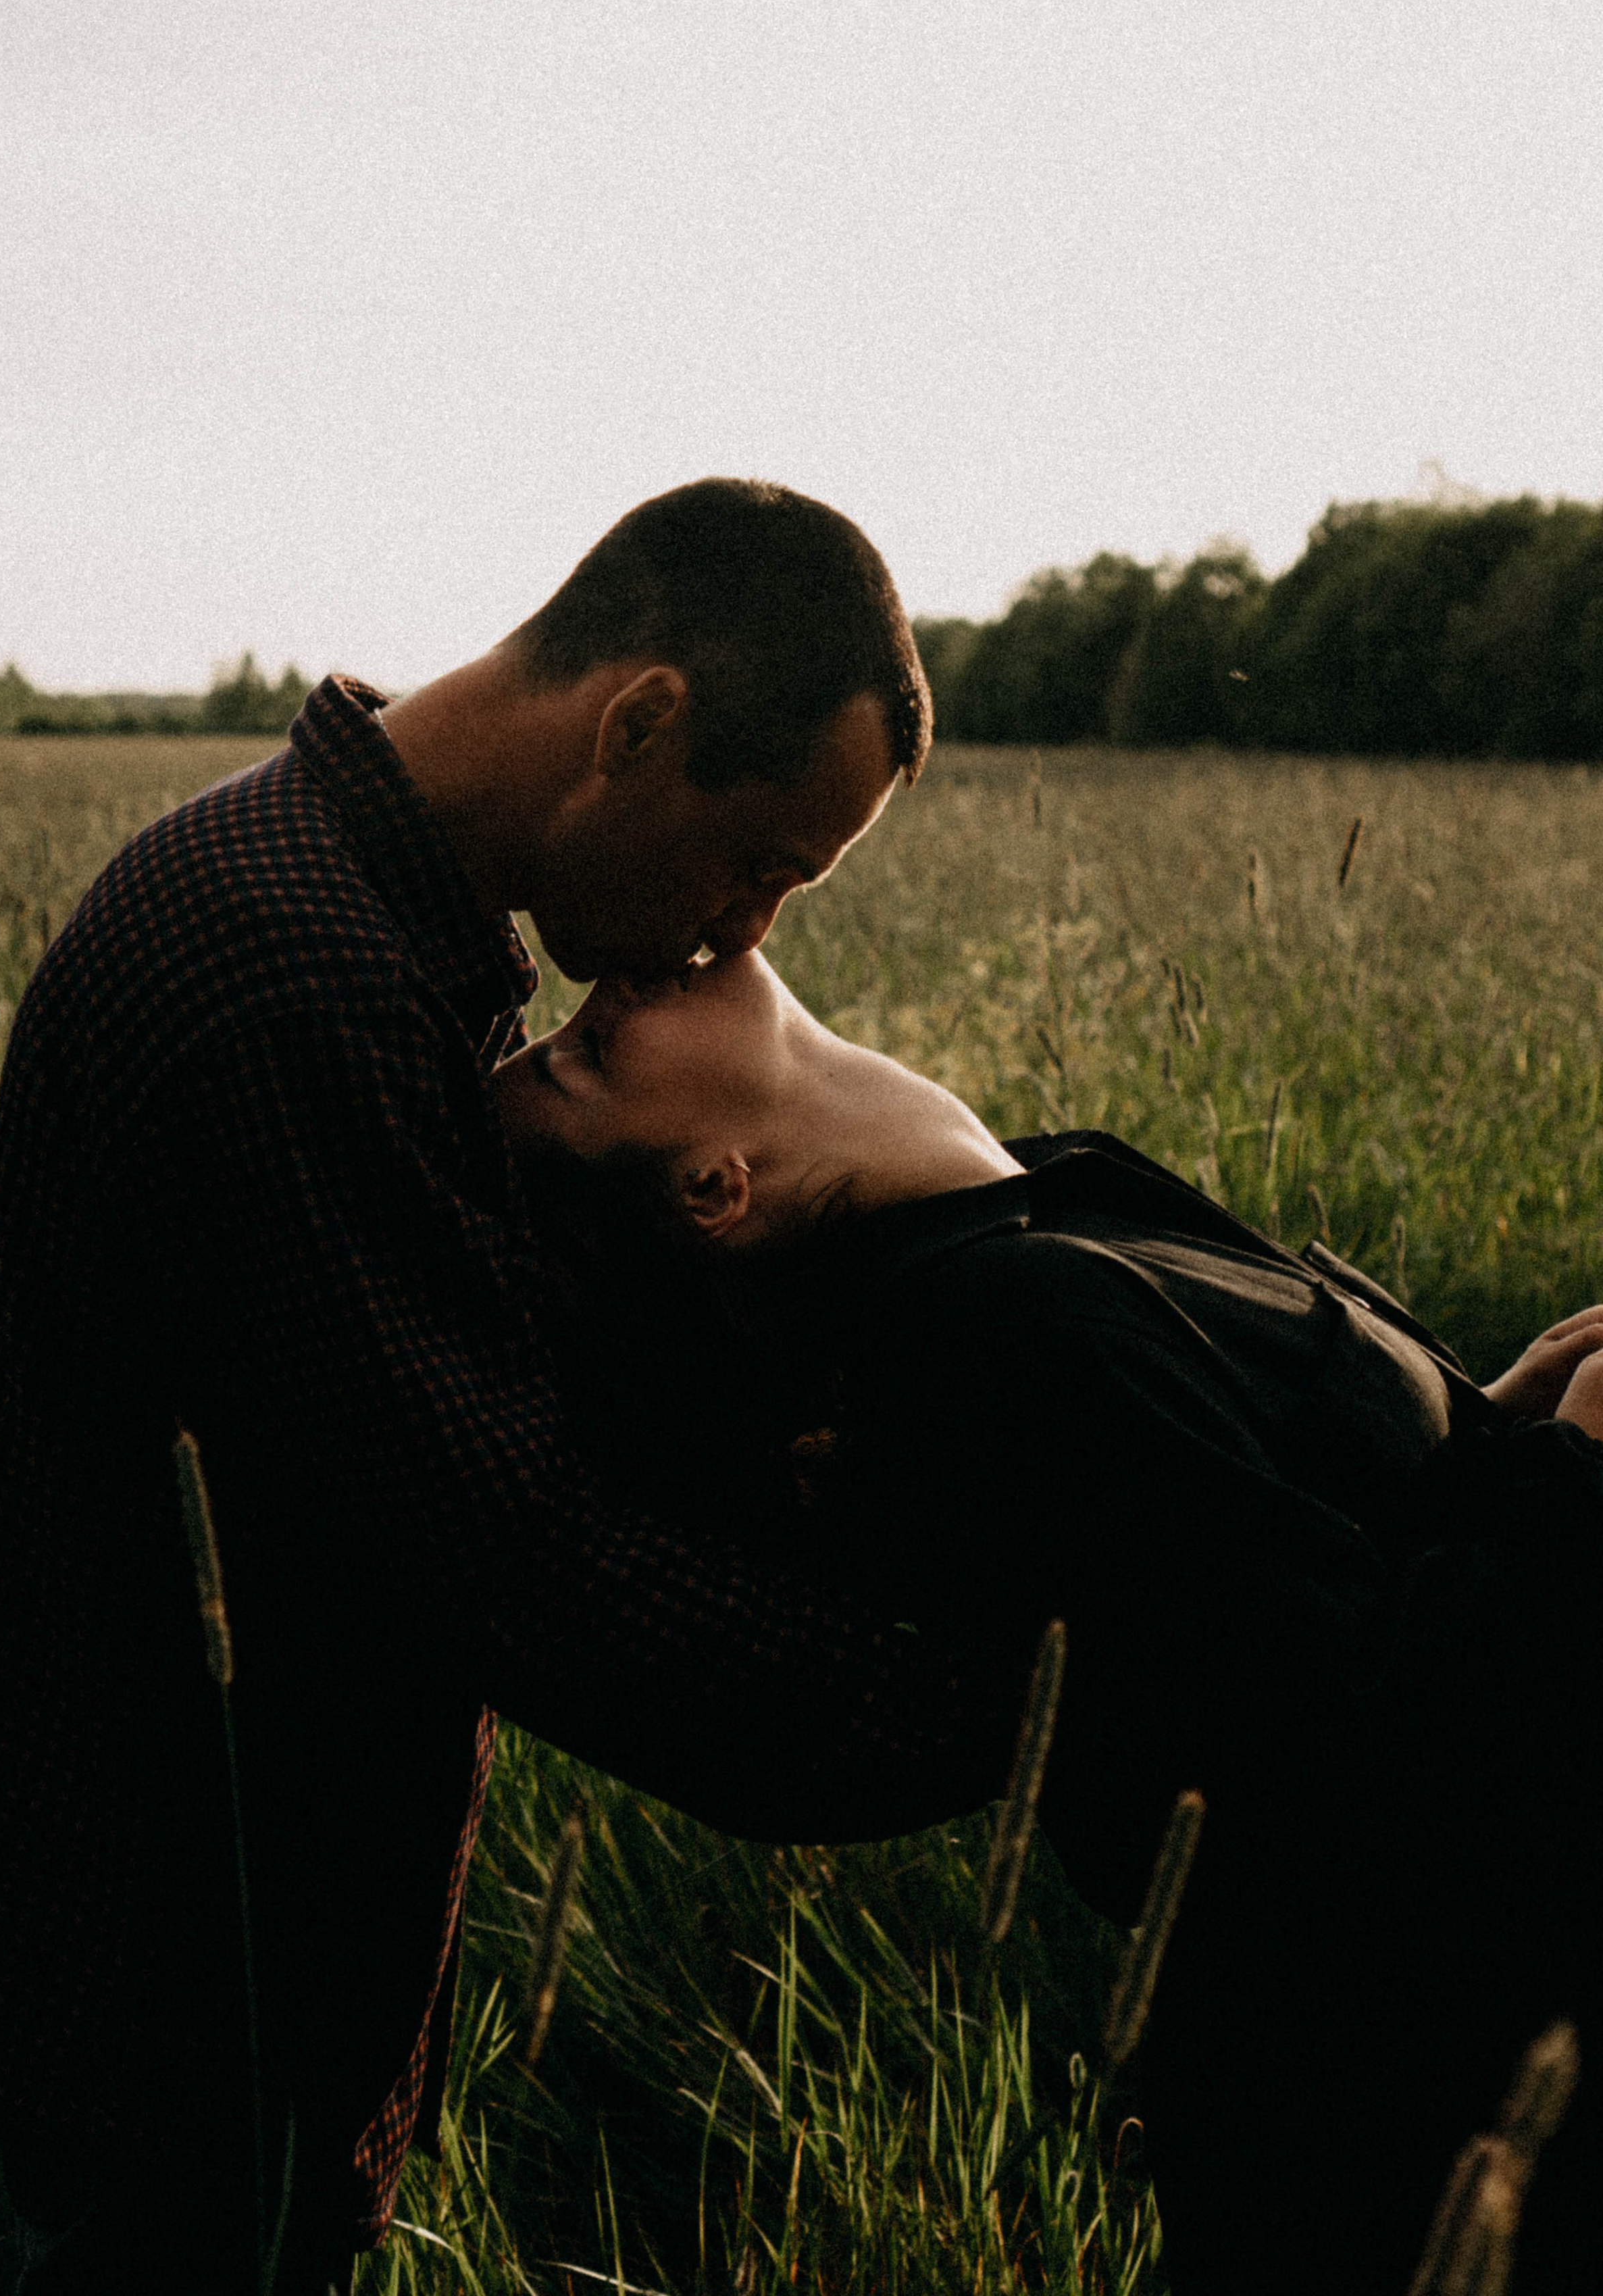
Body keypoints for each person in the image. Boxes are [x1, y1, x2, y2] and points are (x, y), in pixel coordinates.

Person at [0, 481, 1024, 2296]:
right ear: (639, 722)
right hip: (163, 1974)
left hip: (200, 1959)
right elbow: (507, 1549)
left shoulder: (366, 936)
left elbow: (464, 1403)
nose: (740, 941)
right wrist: (987, 1704)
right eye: (762, 865)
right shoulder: (293, 981)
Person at [495, 948, 1603, 2296]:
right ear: (714, 1186)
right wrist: (1576, 1470)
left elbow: (1271, 1596)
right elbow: (1354, 1759)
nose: (607, 985)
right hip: (1443, 2106)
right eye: (588, 1059)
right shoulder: (997, 1337)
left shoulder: (1032, 1227)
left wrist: (1487, 1424)